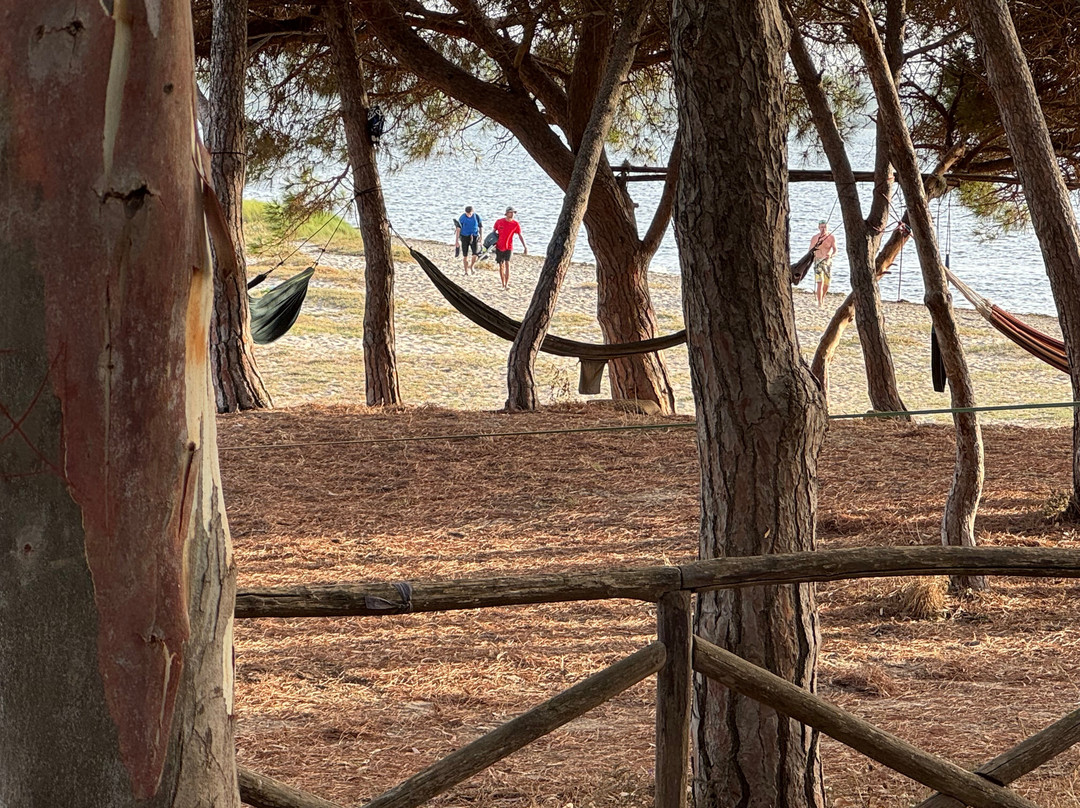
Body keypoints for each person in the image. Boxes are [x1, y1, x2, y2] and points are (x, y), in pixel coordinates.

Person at [492, 207, 527, 289]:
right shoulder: (499, 222)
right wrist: (490, 243)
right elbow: (493, 233)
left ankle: (506, 284)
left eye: (514, 213)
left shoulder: (515, 224)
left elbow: (520, 235)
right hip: (499, 246)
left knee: (507, 264)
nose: (512, 214)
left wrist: (525, 246)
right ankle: (502, 284)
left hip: (509, 247)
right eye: (511, 212)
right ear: (507, 213)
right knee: (501, 265)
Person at [810, 219, 837, 307]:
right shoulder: (815, 238)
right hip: (818, 261)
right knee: (820, 282)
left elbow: (835, 250)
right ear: (819, 228)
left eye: (825, 227)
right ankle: (820, 302)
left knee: (827, 283)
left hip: (828, 262)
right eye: (821, 227)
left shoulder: (831, 237)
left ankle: (822, 298)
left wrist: (831, 255)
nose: (823, 229)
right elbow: (810, 250)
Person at [454, 206, 484, 274]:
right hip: (464, 237)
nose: (469, 215)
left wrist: (481, 237)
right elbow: (458, 229)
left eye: (470, 213)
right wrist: (456, 241)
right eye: (467, 214)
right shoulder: (462, 218)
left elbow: (480, 227)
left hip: (474, 236)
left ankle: (471, 266)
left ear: (472, 212)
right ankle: (466, 271)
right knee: (465, 255)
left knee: (475, 254)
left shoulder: (476, 217)